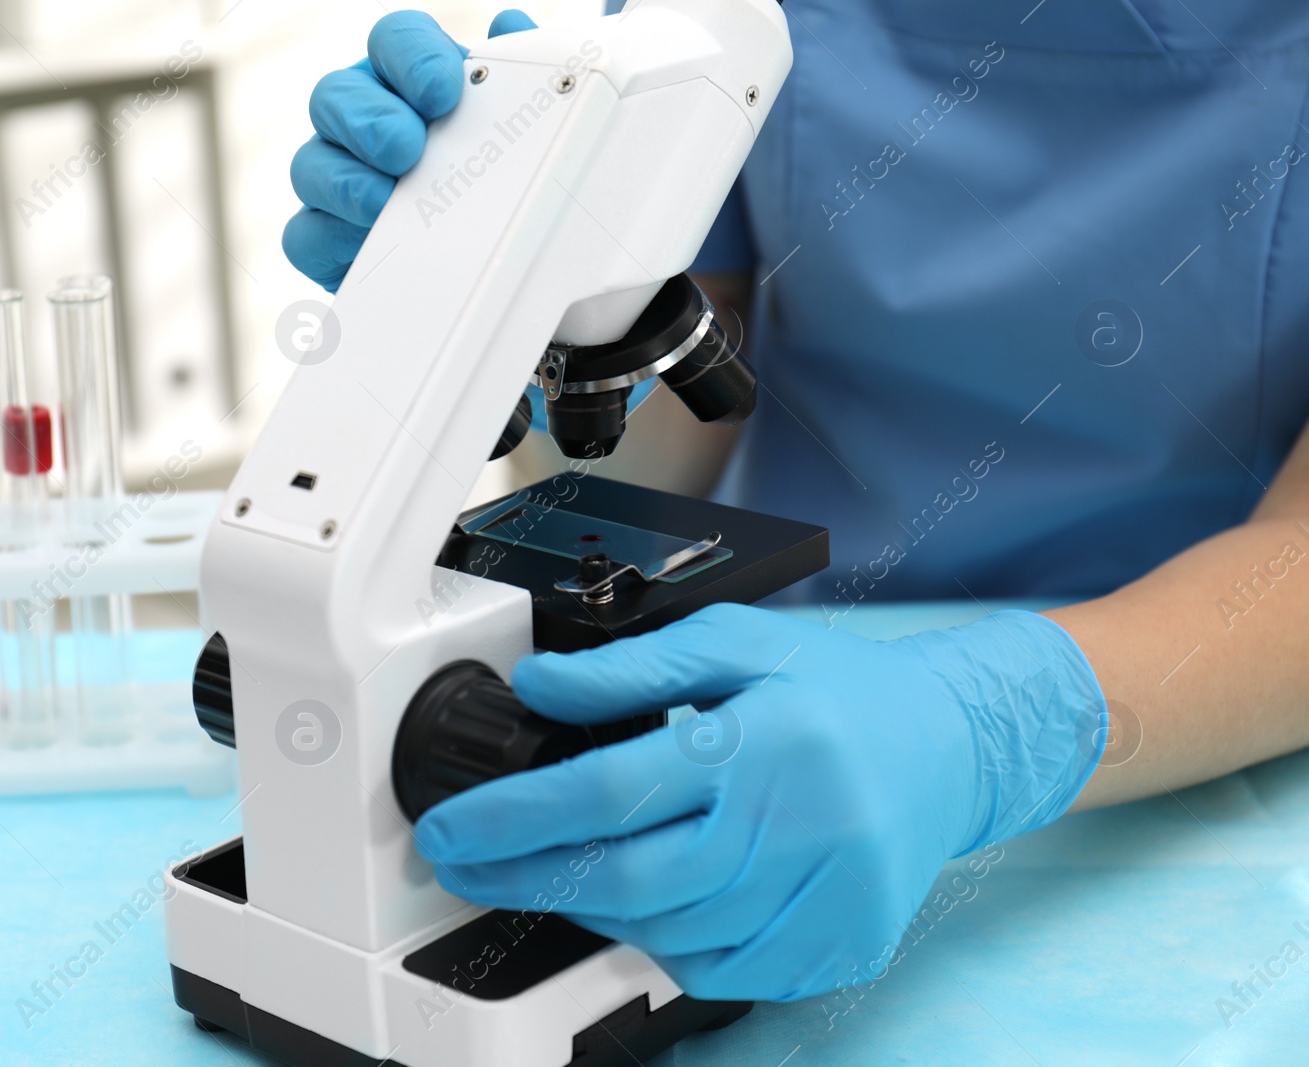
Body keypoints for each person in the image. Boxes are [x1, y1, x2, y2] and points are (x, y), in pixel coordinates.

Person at [281, 3, 1309, 1001]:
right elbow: (647, 444)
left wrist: (988, 727)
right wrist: (513, 299)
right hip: (761, 694)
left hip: (1202, 727)